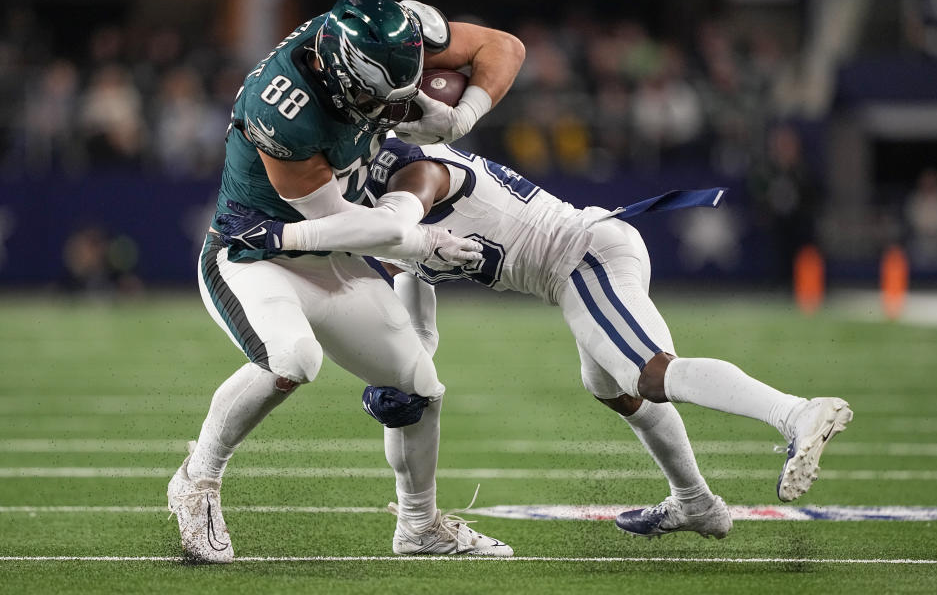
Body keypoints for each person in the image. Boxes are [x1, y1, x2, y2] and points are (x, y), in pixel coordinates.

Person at [219, 137, 854, 540]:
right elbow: (416, 297)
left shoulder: (413, 174)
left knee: (649, 373)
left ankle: (794, 413)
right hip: (575, 264)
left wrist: (385, 230)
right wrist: (407, 372)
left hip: (582, 256)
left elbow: (416, 199)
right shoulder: (374, 206)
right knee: (611, 387)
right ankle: (695, 503)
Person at [167, 0, 525, 563]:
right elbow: (338, 224)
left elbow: (502, 47)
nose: (390, 113)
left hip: (333, 252)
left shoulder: (394, 36)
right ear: (337, 75)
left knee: (418, 387)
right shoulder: (281, 106)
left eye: (400, 96)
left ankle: (418, 527)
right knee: (294, 360)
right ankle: (197, 479)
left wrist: (462, 115)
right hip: (257, 250)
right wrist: (424, 240)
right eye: (375, 98)